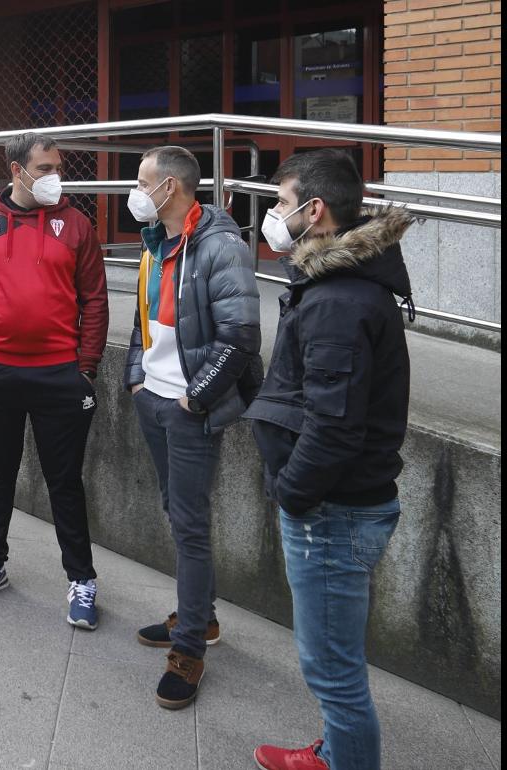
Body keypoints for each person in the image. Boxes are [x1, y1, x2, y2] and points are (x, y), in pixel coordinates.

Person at [248, 150, 414, 770]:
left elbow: (335, 426)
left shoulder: (340, 300)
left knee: (333, 672)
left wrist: (292, 493)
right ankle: (335, 751)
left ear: (314, 212)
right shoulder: (336, 283)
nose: (272, 216)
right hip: (336, 508)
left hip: (332, 514)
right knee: (334, 659)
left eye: (281, 203)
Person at [0, 132, 108, 627]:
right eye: (45, 168)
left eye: (58, 167)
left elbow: (95, 300)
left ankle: (81, 578)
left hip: (59, 376)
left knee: (65, 483)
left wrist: (86, 369)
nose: (55, 177)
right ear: (16, 172)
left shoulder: (76, 224)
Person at [123, 145, 262, 710]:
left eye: (141, 181)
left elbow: (241, 338)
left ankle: (190, 647)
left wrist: (194, 400)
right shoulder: (156, 238)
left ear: (171, 189)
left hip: (187, 409)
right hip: (153, 399)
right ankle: (198, 617)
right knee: (176, 513)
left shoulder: (221, 246)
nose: (135, 192)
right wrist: (136, 377)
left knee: (191, 525)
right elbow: (142, 319)